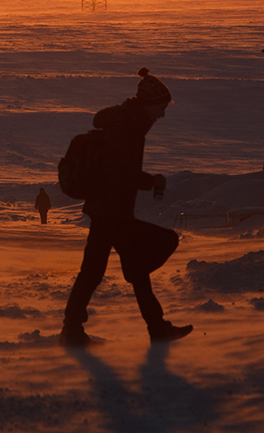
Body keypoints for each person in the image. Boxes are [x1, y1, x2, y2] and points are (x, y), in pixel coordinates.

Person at [60, 68, 192, 347]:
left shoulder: (128, 124)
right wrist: (150, 181)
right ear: (148, 104)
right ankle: (72, 332)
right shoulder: (126, 128)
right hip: (110, 212)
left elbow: (117, 172)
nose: (162, 114)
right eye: (161, 107)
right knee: (104, 270)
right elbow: (117, 173)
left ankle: (156, 329)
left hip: (113, 211)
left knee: (127, 270)